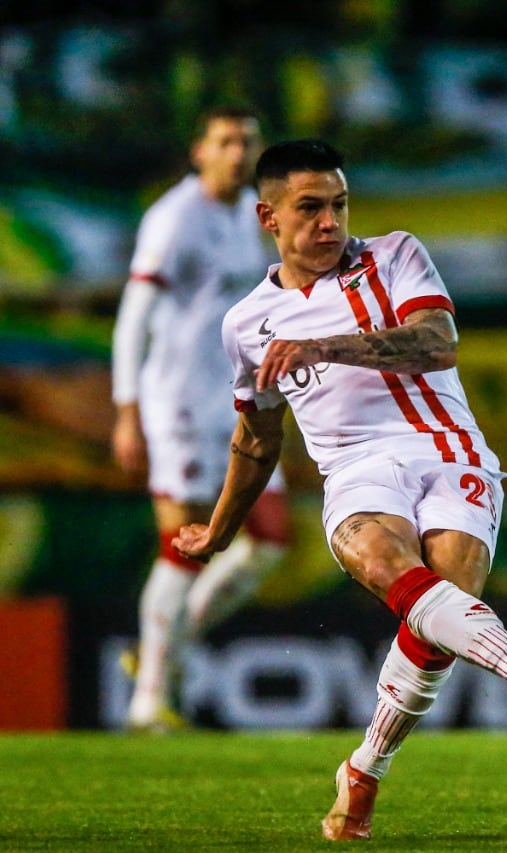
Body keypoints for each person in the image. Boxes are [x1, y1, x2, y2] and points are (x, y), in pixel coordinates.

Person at [171, 139, 507, 842]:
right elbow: (256, 439)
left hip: (450, 450)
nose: (329, 222)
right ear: (267, 217)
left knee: (443, 600)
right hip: (356, 469)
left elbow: (437, 343)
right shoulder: (246, 325)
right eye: (309, 208)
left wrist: (323, 347)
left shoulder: (396, 253)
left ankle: (365, 768)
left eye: (338, 205)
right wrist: (219, 530)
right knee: (386, 564)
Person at [111, 105, 293, 733]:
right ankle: (147, 702)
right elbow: (135, 315)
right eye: (225, 142)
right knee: (183, 545)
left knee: (268, 540)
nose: (238, 153)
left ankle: (162, 650)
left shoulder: (253, 215)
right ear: (199, 151)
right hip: (178, 402)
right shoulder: (174, 219)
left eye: (248, 141)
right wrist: (127, 409)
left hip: (238, 402)